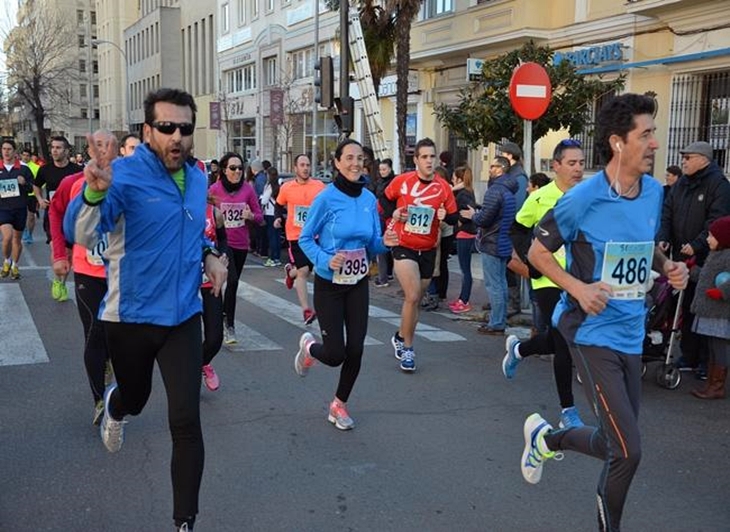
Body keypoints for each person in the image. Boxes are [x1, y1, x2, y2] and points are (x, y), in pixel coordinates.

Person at [521, 93, 688, 532]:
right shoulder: (583, 198)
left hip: (632, 332)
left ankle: (546, 438)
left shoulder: (653, 192)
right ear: (618, 142)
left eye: (654, 133)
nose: (655, 143)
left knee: (614, 442)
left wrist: (667, 267)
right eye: (646, 134)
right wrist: (577, 286)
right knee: (628, 452)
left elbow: (641, 246)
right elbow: (537, 252)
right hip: (590, 333)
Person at [63, 88, 228, 531]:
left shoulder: (196, 179)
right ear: (147, 130)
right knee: (138, 398)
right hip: (130, 318)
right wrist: (94, 195)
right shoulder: (123, 176)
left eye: (185, 129)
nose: (177, 136)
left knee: (186, 422)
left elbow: (191, 229)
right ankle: (115, 406)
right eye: (167, 127)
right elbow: (80, 232)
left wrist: (211, 253)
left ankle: (184, 522)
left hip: (181, 318)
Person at [295, 139, 398, 429]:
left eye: (360, 158)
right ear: (337, 163)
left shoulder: (368, 199)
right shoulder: (326, 198)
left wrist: (386, 243)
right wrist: (325, 259)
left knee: (356, 349)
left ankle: (339, 404)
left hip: (357, 283)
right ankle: (309, 348)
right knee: (335, 354)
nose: (356, 163)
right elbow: (305, 238)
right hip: (330, 286)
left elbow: (372, 243)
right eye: (349, 158)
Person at [502, 139, 586, 429]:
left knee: (566, 337)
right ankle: (568, 411)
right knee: (562, 341)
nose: (578, 169)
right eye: (571, 163)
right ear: (556, 166)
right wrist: (532, 263)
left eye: (581, 163)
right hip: (548, 279)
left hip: (579, 279)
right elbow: (517, 229)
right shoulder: (540, 197)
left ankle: (519, 350)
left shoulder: (588, 198)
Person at [49, 131, 124, 421]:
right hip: (87, 270)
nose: (103, 152)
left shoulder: (127, 183)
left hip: (120, 272)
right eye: (98, 147)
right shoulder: (72, 183)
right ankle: (98, 401)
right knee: (94, 331)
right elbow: (55, 215)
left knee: (116, 335)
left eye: (109, 147)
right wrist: (59, 254)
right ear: (90, 151)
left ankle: (110, 365)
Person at [380, 138, 458, 372]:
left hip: (428, 248)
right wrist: (395, 213)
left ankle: (399, 335)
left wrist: (446, 216)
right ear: (416, 160)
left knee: (416, 301)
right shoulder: (402, 182)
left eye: (432, 156)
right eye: (424, 157)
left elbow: (454, 218)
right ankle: (408, 348)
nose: (429, 161)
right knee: (412, 296)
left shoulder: (443, 187)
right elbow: (383, 198)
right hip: (403, 244)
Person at [657, 141, 730, 377]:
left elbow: (717, 221)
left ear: (703, 159)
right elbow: (667, 211)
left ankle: (706, 363)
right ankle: (688, 355)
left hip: (708, 259)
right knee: (685, 307)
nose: (684, 161)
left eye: (688, 157)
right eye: (683, 157)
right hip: (679, 256)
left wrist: (696, 244)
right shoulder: (681, 185)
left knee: (706, 312)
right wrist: (663, 237)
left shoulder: (718, 185)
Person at [209, 151, 263, 345]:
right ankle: (228, 325)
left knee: (233, 284)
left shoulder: (248, 190)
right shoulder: (214, 190)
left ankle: (225, 315)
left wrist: (251, 217)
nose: (237, 171)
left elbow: (260, 217)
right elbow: (206, 213)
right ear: (224, 170)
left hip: (241, 245)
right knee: (230, 280)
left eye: (240, 168)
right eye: (233, 168)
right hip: (222, 244)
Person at [460, 155, 517, 335]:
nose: (490, 169)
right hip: (503, 240)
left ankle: (496, 322)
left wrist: (473, 216)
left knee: (494, 285)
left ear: (500, 169)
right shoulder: (510, 190)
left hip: (492, 241)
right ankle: (500, 319)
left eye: (493, 166)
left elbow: (485, 219)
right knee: (501, 283)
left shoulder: (495, 190)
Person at [274, 154, 325, 324]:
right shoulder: (287, 187)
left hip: (316, 235)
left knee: (310, 269)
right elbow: (279, 204)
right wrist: (278, 218)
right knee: (304, 271)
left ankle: (290, 272)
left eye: (308, 165)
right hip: (296, 235)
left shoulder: (319, 186)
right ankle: (306, 310)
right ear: (295, 168)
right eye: (302, 165)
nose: (305, 168)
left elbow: (327, 205)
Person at [33, 136, 83, 296]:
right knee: (56, 249)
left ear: (67, 151)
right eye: (53, 147)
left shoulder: (76, 170)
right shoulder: (45, 170)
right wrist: (40, 199)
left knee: (68, 254)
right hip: (53, 216)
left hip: (72, 218)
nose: (54, 150)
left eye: (58, 148)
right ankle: (57, 278)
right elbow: (36, 186)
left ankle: (61, 281)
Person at [688, 215, 730, 399]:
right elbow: (706, 278)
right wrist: (692, 270)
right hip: (709, 309)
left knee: (719, 347)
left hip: (719, 312)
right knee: (712, 347)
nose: (707, 239)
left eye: (712, 236)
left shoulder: (727, 256)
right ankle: (711, 383)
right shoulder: (715, 254)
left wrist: (723, 292)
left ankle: (717, 386)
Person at [422, 166, 456, 311]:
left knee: (437, 265)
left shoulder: (443, 190)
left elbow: (447, 214)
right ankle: (435, 293)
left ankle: (435, 294)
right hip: (435, 230)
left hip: (440, 231)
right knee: (437, 265)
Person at [0, 139, 34, 280]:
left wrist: (24, 183)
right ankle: (6, 260)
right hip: (3, 208)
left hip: (20, 208)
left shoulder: (24, 169)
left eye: (9, 149)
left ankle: (15, 265)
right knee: (7, 237)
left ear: (14, 152)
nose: (6, 152)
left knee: (17, 239)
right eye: (4, 149)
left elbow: (32, 187)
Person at [448, 165, 478, 314]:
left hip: (464, 234)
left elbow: (466, 212)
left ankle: (464, 300)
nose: (452, 180)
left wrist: (459, 221)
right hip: (467, 233)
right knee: (464, 269)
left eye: (454, 177)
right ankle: (462, 298)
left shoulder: (462, 194)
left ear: (459, 179)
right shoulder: (468, 191)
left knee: (465, 270)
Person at [373, 158, 395, 288]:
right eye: (380, 169)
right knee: (386, 247)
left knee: (383, 246)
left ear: (390, 169)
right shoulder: (380, 182)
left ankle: (383, 278)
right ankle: (387, 274)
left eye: (384, 169)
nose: (382, 172)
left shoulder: (392, 183)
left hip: (388, 217)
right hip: (383, 216)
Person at [261, 166, 282, 267]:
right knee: (277, 236)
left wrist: (261, 197)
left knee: (272, 236)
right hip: (278, 213)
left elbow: (264, 200)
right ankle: (277, 257)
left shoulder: (269, 187)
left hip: (270, 213)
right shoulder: (279, 185)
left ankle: (272, 258)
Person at [19, 148, 40, 244]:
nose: (25, 157)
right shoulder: (16, 166)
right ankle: (23, 230)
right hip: (21, 194)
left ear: (30, 157)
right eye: (24, 155)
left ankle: (29, 234)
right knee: (21, 215)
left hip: (32, 195)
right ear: (21, 155)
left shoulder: (36, 167)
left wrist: (39, 197)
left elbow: (40, 183)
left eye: (28, 155)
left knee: (31, 216)